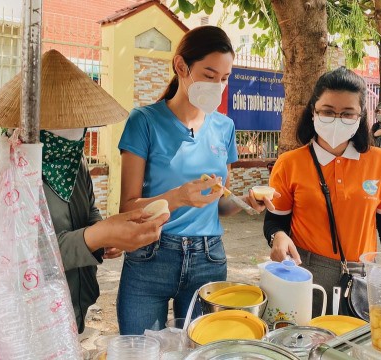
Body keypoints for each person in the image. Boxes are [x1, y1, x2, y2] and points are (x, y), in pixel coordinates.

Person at [0, 49, 169, 333]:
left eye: (78, 121)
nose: (74, 130)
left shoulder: (74, 161)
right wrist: (98, 235)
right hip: (21, 322)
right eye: (62, 121)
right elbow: (16, 254)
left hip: (71, 304)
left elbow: (89, 211)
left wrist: (105, 233)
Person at [116, 26, 275, 335]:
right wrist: (179, 197)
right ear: (181, 67)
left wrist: (244, 201)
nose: (218, 85)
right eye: (209, 74)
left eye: (225, 78)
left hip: (208, 257)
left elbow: (217, 204)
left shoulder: (224, 127)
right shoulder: (144, 122)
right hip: (151, 253)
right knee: (140, 353)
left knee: (202, 351)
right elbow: (128, 208)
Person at [263, 67, 381, 316]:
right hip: (306, 274)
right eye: (328, 112)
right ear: (313, 112)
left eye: (347, 113)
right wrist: (277, 236)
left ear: (361, 116)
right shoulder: (290, 163)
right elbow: (276, 220)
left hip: (363, 277)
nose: (337, 119)